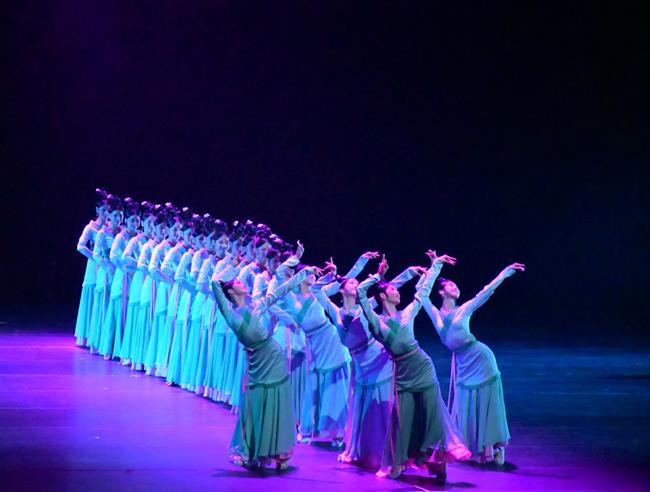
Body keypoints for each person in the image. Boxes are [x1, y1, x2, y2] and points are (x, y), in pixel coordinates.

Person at [357, 251, 471, 482]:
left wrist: (435, 266)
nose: (397, 292)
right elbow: (360, 293)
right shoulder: (376, 321)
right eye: (393, 289)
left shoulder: (406, 314)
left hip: (422, 367)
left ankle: (437, 463)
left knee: (432, 416)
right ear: (382, 296)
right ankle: (397, 462)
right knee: (403, 420)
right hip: (402, 374)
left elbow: (422, 293)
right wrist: (376, 276)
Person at [211, 266, 317, 469]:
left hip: (273, 355)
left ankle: (279, 453)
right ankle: (249, 450)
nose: (243, 284)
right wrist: (228, 267)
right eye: (238, 283)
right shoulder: (229, 312)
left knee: (276, 400)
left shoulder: (257, 306)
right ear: (231, 292)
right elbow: (215, 285)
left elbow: (280, 291)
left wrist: (301, 275)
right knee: (255, 403)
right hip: (255, 361)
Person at [421, 262, 525, 465]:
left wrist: (504, 273)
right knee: (466, 404)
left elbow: (485, 292)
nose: (456, 287)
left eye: (456, 285)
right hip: (462, 363)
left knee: (487, 402)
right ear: (441, 292)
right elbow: (422, 295)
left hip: (481, 358)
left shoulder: (464, 310)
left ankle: (495, 447)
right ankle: (472, 447)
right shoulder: (436, 314)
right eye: (451, 285)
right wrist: (435, 267)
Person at [74, 189, 108, 347]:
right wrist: (94, 256)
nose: (106, 213)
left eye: (108, 211)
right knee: (92, 296)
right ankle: (87, 335)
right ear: (97, 210)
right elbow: (80, 245)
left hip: (105, 265)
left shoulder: (109, 228)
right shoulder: (91, 227)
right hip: (94, 265)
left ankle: (99, 336)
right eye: (104, 210)